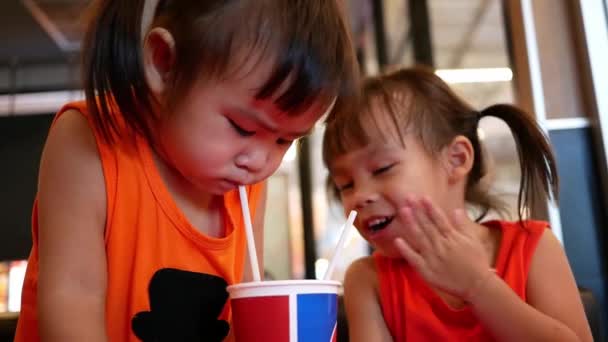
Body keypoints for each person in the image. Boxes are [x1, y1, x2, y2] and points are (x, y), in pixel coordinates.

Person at [15, 0, 359, 341]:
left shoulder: (247, 180)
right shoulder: (89, 139)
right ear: (165, 63)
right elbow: (73, 297)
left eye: (285, 141)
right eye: (243, 128)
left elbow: (242, 308)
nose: (260, 161)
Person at [322, 67, 593, 341]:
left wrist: (478, 287)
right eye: (345, 185)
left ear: (457, 159)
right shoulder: (368, 280)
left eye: (382, 169)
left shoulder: (532, 247)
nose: (359, 196)